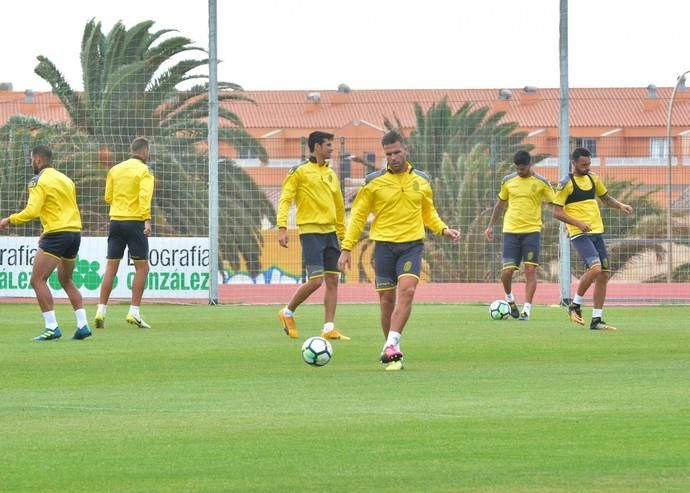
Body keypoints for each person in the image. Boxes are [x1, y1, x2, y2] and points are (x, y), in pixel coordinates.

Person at [337, 130, 460, 371]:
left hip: (412, 246)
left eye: (396, 152)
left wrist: (443, 229)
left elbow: (428, 212)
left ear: (406, 150)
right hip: (383, 247)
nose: (393, 157)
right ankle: (392, 352)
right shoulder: (373, 182)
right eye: (388, 154)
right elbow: (358, 216)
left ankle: (391, 344)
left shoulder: (422, 180)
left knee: (408, 290)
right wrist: (346, 248)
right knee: (386, 301)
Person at [0, 145, 92, 341]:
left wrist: (10, 220)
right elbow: (61, 207)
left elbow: (32, 211)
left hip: (57, 234)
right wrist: (45, 229)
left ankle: (52, 327)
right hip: (74, 233)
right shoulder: (66, 179)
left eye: (32, 159)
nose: (31, 163)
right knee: (66, 280)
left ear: (38, 160)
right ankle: (83, 324)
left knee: (37, 280)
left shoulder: (37, 181)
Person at [276, 131, 349, 341]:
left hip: (331, 234)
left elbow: (338, 208)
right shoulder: (298, 171)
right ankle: (287, 312)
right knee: (316, 281)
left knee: (333, 280)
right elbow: (285, 199)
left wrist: (344, 241)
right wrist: (282, 227)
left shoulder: (331, 174)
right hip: (311, 232)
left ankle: (328, 328)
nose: (332, 148)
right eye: (328, 145)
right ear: (316, 146)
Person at [553, 147, 633, 331]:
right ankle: (575, 304)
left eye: (589, 164)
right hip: (579, 233)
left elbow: (605, 198)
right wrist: (577, 223)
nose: (587, 167)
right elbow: (557, 211)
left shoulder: (593, 178)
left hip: (597, 232)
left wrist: (620, 205)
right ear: (574, 163)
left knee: (604, 274)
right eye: (583, 165)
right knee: (595, 268)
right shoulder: (566, 183)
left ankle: (597, 320)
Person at [483, 150, 555, 321]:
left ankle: (526, 310)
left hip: (532, 232)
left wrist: (567, 223)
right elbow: (500, 205)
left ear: (530, 165)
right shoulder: (508, 181)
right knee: (507, 272)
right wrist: (491, 226)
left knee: (530, 269)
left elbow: (556, 204)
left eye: (522, 169)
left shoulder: (542, 183)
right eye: (517, 169)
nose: (520, 172)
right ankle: (510, 300)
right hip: (510, 232)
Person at [95, 137, 155, 329]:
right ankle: (134, 312)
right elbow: (144, 196)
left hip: (116, 221)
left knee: (111, 269)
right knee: (142, 269)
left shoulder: (115, 169)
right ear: (145, 152)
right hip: (135, 221)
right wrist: (147, 219)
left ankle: (100, 310)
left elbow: (107, 197)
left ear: (132, 149)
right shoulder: (144, 171)